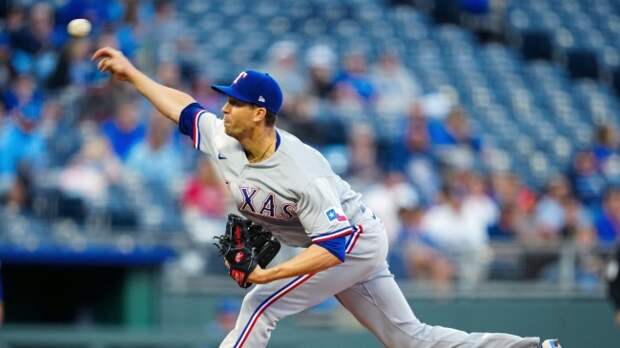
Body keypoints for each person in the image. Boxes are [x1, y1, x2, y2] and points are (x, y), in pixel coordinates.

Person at [92, 46, 561, 348]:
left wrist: (270, 273)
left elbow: (334, 247)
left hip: (351, 241)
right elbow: (183, 107)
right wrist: (133, 74)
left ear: (259, 113)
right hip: (339, 241)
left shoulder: (301, 169)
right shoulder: (224, 138)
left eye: (234, 102)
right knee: (410, 340)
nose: (224, 108)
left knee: (260, 302)